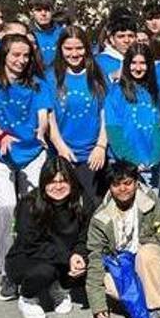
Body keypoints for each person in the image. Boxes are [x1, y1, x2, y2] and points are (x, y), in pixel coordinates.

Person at [0, 33, 52, 302]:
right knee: (6, 207)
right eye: (15, 55)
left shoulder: (39, 84)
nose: (21, 60)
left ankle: (33, 263)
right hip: (0, 153)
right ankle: (9, 271)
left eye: (25, 55)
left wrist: (42, 130)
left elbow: (43, 115)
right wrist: (1, 136)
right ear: (4, 56)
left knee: (33, 209)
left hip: (32, 152)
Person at [86, 161, 160, 318]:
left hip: (146, 260)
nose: (123, 189)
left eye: (127, 183)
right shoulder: (100, 218)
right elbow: (95, 257)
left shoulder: (152, 205)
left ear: (136, 183)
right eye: (116, 184)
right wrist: (98, 304)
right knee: (105, 280)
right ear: (110, 187)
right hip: (122, 263)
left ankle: (154, 306)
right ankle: (135, 299)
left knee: (147, 254)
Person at [5, 156, 93, 318]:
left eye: (63, 181)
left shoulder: (81, 201)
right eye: (52, 181)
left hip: (66, 255)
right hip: (31, 258)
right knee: (46, 270)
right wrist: (67, 258)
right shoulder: (29, 204)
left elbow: (86, 235)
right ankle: (28, 297)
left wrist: (79, 254)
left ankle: (60, 288)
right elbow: (30, 244)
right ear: (43, 182)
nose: (58, 186)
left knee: (90, 261)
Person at [45, 26, 109, 198]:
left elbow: (106, 113)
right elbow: (49, 118)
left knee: (92, 207)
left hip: (92, 155)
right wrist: (61, 148)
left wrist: (101, 146)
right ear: (60, 49)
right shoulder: (51, 77)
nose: (74, 54)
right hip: (62, 153)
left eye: (79, 48)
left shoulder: (97, 74)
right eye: (68, 48)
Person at [103, 44, 160, 188]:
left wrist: (154, 158)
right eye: (134, 63)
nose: (138, 68)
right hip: (123, 165)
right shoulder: (115, 93)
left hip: (151, 166)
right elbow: (114, 132)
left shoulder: (156, 92)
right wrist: (132, 161)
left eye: (143, 63)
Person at [96, 13, 138, 82]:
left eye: (130, 36)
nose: (126, 40)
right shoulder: (99, 61)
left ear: (136, 38)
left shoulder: (142, 59)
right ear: (112, 39)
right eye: (121, 36)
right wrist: (111, 77)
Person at [29, 0, 64, 67]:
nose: (43, 14)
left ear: (53, 11)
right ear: (31, 13)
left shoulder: (63, 33)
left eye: (47, 10)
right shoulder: (27, 34)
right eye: (38, 10)